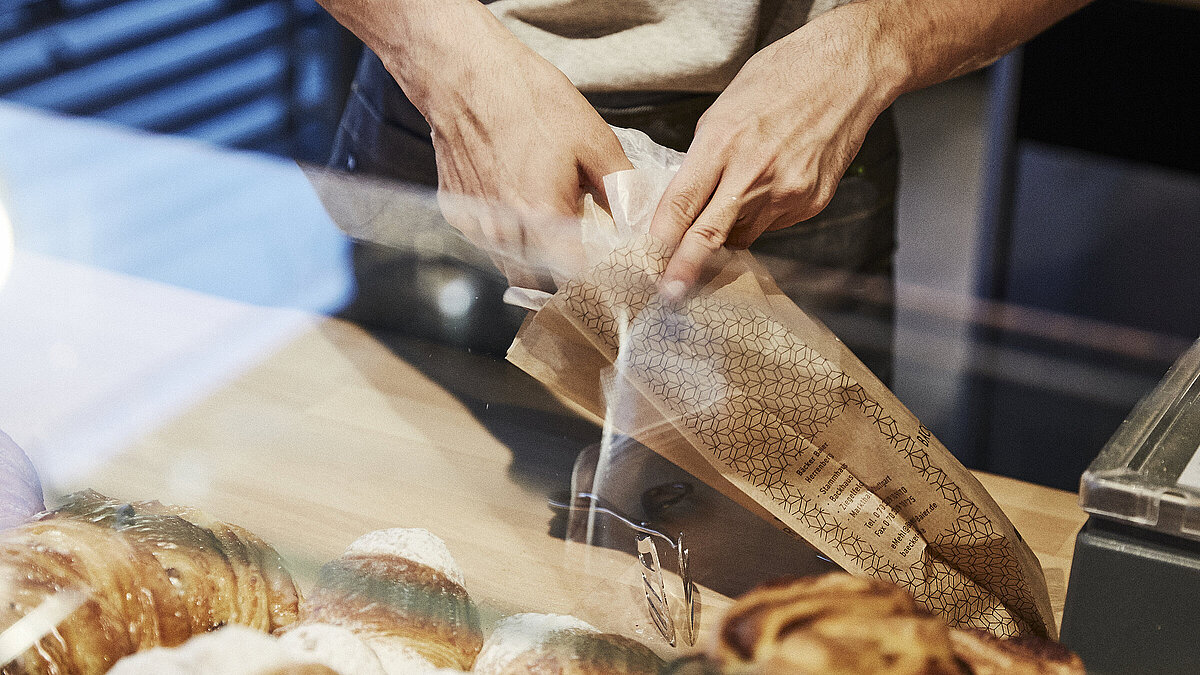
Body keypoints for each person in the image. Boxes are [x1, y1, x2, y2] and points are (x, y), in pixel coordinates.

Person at [313, 0, 1090, 371]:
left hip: (788, 151)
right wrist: (440, 56)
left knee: (777, 619)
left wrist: (877, 45)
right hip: (459, 127)